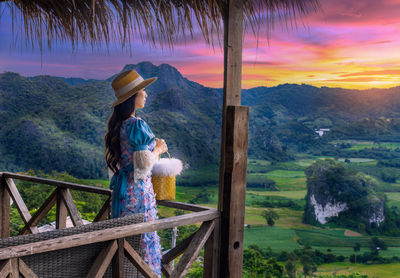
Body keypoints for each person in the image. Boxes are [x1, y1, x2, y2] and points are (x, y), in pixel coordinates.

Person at [104, 69, 168, 277]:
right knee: (143, 239)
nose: (146, 95)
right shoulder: (137, 125)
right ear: (133, 97)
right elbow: (142, 168)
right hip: (138, 193)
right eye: (143, 91)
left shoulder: (121, 125)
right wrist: (158, 149)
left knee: (128, 241)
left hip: (123, 194)